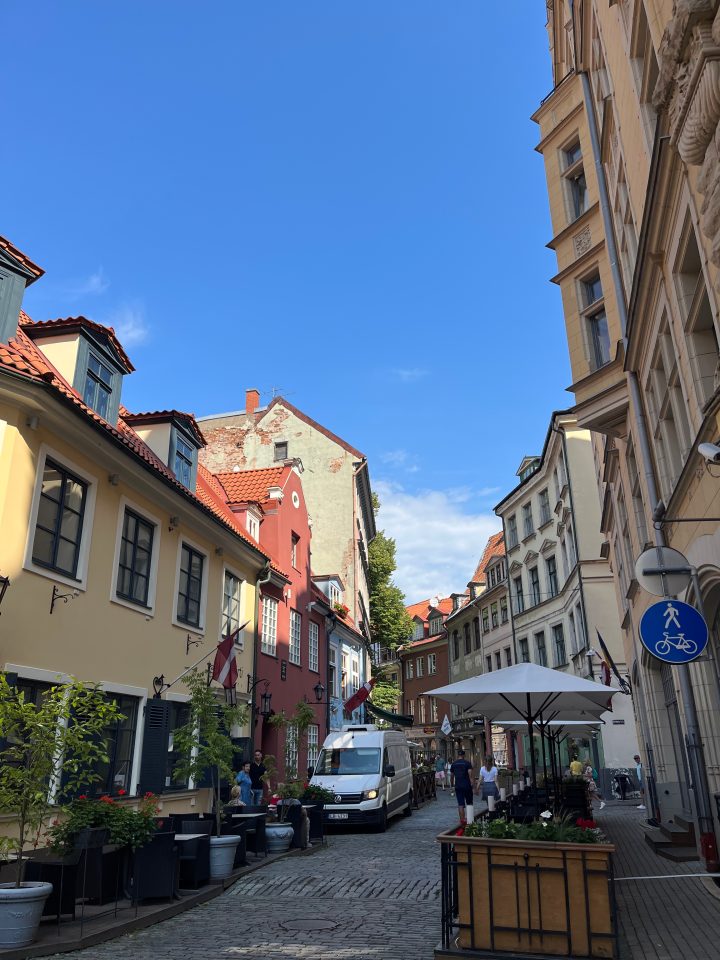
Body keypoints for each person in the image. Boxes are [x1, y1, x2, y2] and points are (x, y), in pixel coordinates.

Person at [450, 750, 474, 824]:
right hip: (467, 785)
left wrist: (452, 785)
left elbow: (451, 776)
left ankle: (462, 822)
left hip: (458, 786)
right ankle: (470, 821)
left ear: (458, 755)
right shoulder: (467, 763)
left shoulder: (454, 764)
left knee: (460, 804)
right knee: (469, 803)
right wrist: (472, 784)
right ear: (464, 755)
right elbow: (470, 775)